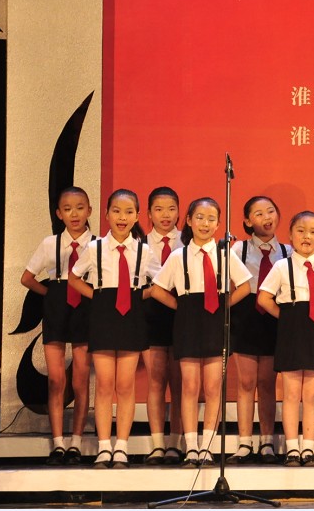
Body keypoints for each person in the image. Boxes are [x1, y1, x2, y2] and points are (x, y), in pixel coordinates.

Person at [149, 197, 251, 466]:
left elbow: (245, 286)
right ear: (189, 221)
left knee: (214, 386)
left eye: (211, 219)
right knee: (190, 385)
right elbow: (157, 289)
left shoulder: (225, 254)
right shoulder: (178, 256)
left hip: (215, 321)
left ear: (218, 224)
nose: (205, 223)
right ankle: (191, 446)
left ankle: (207, 446)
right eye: (200, 217)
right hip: (188, 323)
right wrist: (181, 307)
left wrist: (223, 305)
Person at [68, 189, 153, 469]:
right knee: (105, 383)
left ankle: (122, 447)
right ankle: (104, 446)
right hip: (103, 316)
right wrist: (98, 297)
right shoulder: (95, 248)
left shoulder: (143, 250)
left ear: (137, 216)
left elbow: (161, 281)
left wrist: (137, 296)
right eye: (116, 211)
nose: (122, 217)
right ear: (106, 215)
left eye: (129, 212)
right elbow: (74, 278)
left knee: (125, 384)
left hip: (132, 317)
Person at [258, 211, 314, 466]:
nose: (307, 236)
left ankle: (308, 447)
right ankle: (292, 448)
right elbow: (264, 298)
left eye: (313, 232)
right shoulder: (282, 266)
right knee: (291, 393)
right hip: (291, 331)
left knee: (312, 393)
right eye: (301, 231)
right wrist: (286, 318)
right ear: (290, 235)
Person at [20, 187, 94, 466]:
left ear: (89, 210)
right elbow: (27, 278)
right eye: (67, 208)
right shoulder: (49, 243)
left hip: (85, 307)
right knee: (55, 379)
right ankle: (58, 443)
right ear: (59, 213)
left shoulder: (98, 244)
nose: (74, 214)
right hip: (56, 308)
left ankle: (76, 442)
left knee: (80, 379)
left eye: (80, 207)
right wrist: (50, 294)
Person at [228, 196, 288, 464]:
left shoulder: (287, 251)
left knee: (267, 383)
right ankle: (244, 442)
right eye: (259, 213)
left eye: (271, 211)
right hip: (245, 316)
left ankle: (266, 441)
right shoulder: (237, 249)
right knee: (246, 382)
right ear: (247, 221)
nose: (267, 217)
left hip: (273, 315)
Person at [141, 187, 185, 465]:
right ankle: (157, 445)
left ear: (180, 212)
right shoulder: (139, 244)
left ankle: (176, 443)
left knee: (180, 383)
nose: (165, 215)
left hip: (183, 315)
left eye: (171, 209)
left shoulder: (189, 242)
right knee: (156, 380)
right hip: (151, 316)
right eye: (158, 209)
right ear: (148, 214)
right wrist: (153, 292)